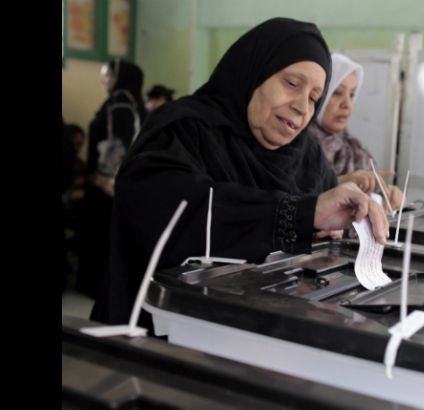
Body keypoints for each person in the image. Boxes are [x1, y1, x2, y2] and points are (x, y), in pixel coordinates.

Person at [91, 18, 389, 327]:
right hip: (164, 336)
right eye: (291, 84)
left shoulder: (308, 158)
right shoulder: (183, 129)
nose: (302, 107)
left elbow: (321, 239)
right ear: (253, 71)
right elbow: (169, 213)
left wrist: (338, 228)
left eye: (314, 97)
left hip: (264, 336)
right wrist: (298, 215)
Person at [75, 59, 146, 299]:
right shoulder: (132, 103)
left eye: (107, 75)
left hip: (107, 187)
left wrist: (105, 178)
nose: (103, 79)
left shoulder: (120, 103)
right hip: (121, 184)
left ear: (119, 77)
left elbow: (118, 143)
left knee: (101, 237)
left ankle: (98, 288)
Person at [308, 53, 403, 212]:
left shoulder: (356, 151)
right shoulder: (293, 146)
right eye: (337, 93)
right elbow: (291, 201)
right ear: (317, 94)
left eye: (352, 95)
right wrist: (341, 183)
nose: (347, 104)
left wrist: (391, 198)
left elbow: (378, 199)